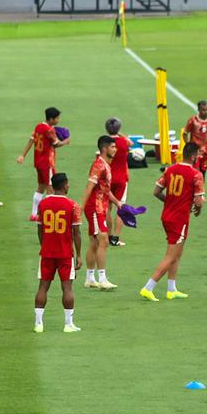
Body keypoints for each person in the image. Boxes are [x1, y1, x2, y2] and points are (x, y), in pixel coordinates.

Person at [140, 142, 206, 302]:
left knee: (178, 252)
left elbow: (156, 191)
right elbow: (198, 202)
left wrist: (170, 201)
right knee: (171, 256)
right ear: (193, 156)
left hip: (167, 215)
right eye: (197, 155)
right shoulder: (196, 174)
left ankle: (171, 289)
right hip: (179, 218)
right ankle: (148, 287)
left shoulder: (170, 169)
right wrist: (199, 206)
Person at [35, 173, 83, 333]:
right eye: (68, 184)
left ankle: (38, 324)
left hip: (47, 253)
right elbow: (76, 232)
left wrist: (45, 246)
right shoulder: (72, 206)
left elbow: (40, 229)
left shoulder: (43, 204)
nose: (69, 186)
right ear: (64, 185)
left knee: (43, 286)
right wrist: (79, 255)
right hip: (65, 254)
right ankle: (68, 324)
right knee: (67, 288)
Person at [81, 135, 124, 290]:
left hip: (100, 207)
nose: (115, 149)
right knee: (104, 240)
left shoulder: (106, 165)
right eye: (113, 147)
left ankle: (90, 278)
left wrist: (117, 202)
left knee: (94, 242)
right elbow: (88, 188)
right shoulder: (99, 165)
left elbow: (105, 190)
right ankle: (102, 279)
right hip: (94, 208)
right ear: (105, 149)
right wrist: (80, 209)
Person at [17, 107, 70, 219]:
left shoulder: (38, 126)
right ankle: (46, 215)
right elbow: (56, 144)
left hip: (38, 162)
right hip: (47, 163)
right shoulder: (49, 130)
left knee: (41, 187)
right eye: (57, 118)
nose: (58, 120)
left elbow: (31, 140)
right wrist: (65, 141)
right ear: (51, 119)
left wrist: (23, 155)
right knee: (50, 190)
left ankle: (33, 214)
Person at [105, 117, 132, 246]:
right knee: (120, 207)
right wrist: (119, 132)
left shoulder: (105, 143)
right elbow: (131, 143)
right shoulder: (123, 142)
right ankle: (116, 238)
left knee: (107, 208)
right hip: (121, 179)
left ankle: (108, 236)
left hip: (108, 178)